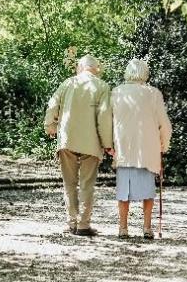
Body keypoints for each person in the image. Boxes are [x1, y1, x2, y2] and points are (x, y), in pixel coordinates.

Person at [44, 54, 113, 236]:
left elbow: (52, 105)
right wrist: (108, 143)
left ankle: (71, 223)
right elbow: (104, 118)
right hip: (91, 142)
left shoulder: (68, 83)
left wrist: (50, 126)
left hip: (67, 140)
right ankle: (83, 225)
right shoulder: (103, 86)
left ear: (80, 67)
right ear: (96, 69)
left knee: (69, 184)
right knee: (87, 184)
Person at [111, 59, 172, 239]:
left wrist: (108, 144)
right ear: (145, 73)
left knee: (123, 190)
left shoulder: (117, 92)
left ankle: (123, 228)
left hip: (124, 147)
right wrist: (164, 145)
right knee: (148, 191)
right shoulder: (153, 93)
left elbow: (108, 120)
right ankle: (147, 228)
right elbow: (164, 124)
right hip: (148, 148)